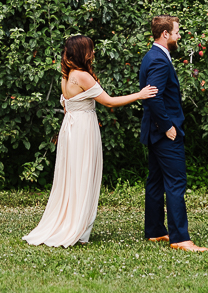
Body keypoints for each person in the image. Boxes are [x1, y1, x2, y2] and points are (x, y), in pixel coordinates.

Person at [23, 35, 157, 247]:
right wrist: (139, 95)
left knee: (72, 177)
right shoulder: (82, 76)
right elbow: (109, 102)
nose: (93, 53)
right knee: (84, 175)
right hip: (83, 129)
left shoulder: (66, 76)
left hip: (70, 128)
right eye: (90, 50)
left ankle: (72, 222)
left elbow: (68, 106)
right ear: (82, 53)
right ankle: (77, 227)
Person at [139, 15, 208, 252]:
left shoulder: (152, 55)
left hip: (154, 130)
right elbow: (154, 96)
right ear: (165, 34)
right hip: (164, 132)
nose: (179, 36)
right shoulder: (158, 60)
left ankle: (156, 231)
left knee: (156, 182)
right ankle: (180, 238)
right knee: (176, 183)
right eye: (177, 32)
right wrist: (168, 126)